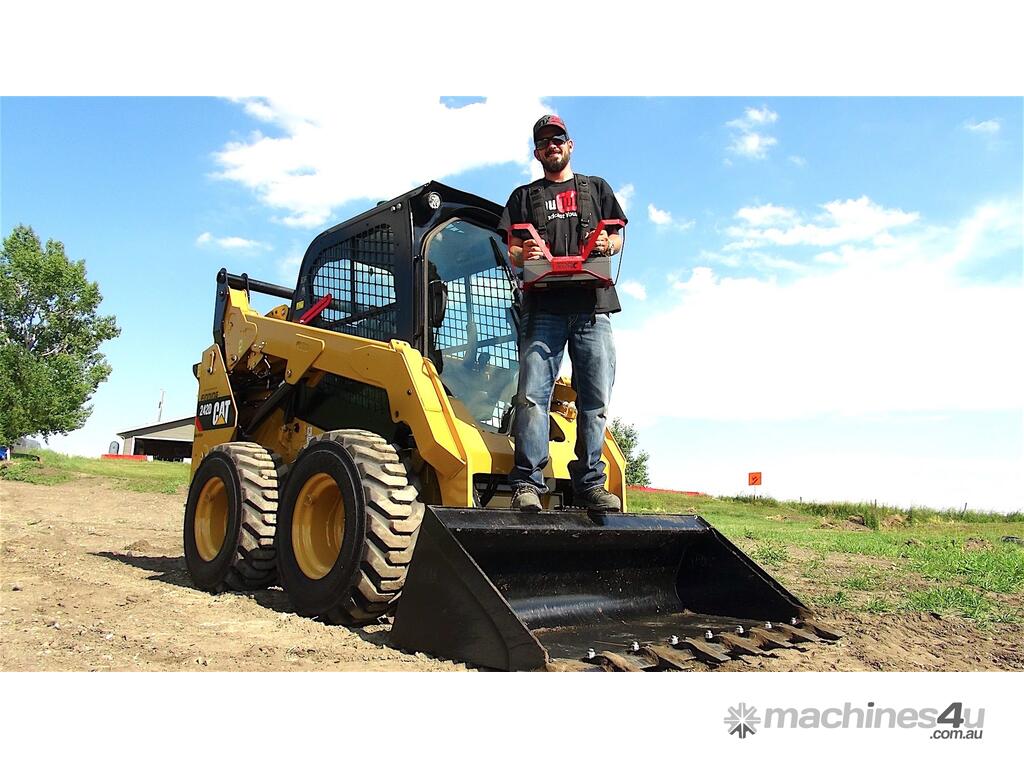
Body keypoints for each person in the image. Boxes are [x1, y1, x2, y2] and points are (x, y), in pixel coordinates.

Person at [497, 114, 627, 513]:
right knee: (532, 397)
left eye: (558, 139)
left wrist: (607, 244)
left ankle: (589, 484)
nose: (552, 146)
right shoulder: (523, 197)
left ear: (570, 145)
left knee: (595, 400)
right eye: (544, 142)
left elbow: (617, 237)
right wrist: (524, 253)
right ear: (537, 153)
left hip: (592, 309)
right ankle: (527, 485)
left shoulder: (596, 188)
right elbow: (512, 248)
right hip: (544, 309)